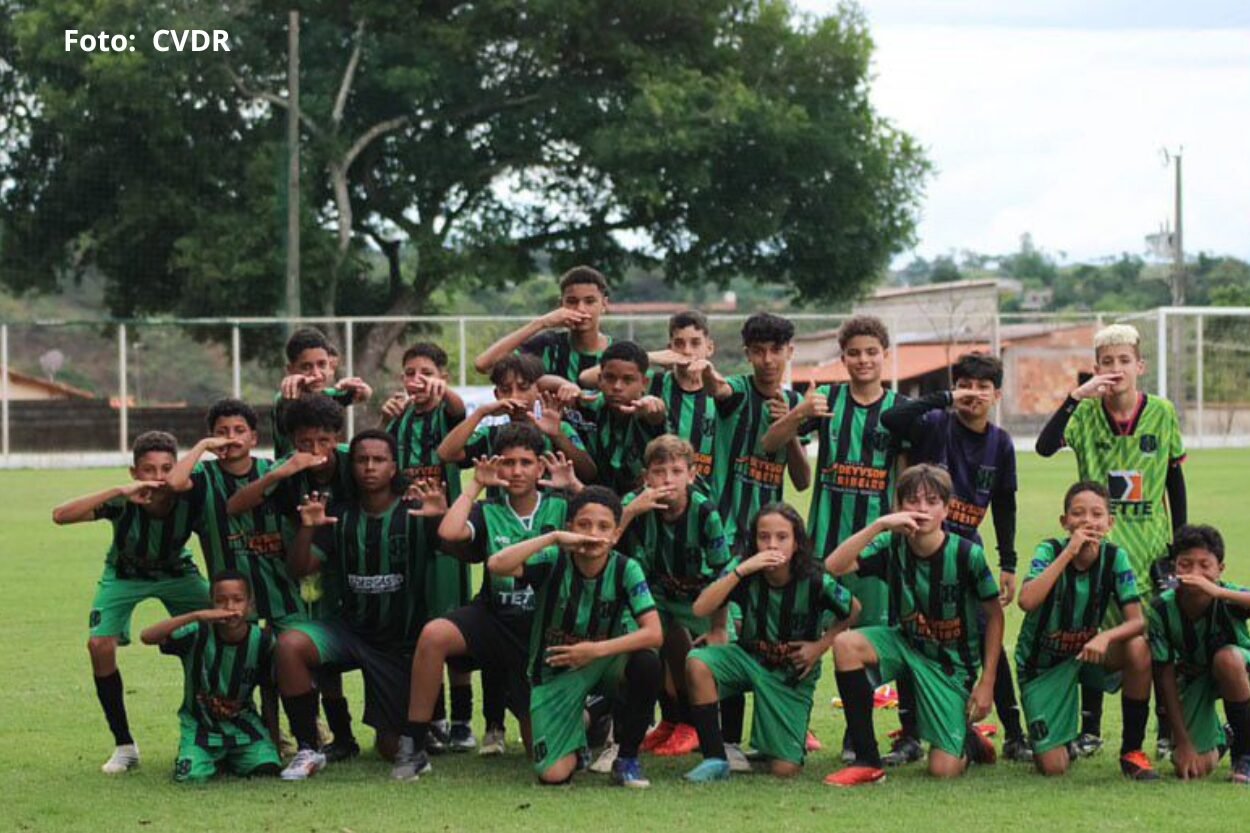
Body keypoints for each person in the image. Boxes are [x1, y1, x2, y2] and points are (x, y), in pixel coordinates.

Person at [393, 422, 580, 780]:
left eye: (526, 462)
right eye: (507, 462)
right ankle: (413, 745)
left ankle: (586, 718)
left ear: (540, 467)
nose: (516, 471)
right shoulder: (488, 509)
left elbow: (606, 520)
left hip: (544, 630)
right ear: (496, 467)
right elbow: (449, 532)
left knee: (536, 751)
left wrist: (573, 486)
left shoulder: (560, 506)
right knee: (434, 634)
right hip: (495, 617)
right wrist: (475, 485)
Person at [1036, 323, 1187, 756]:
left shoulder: (1162, 411)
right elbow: (1046, 448)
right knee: (1093, 630)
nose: (1116, 368)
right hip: (1098, 550)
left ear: (1139, 366)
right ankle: (1091, 729)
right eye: (1107, 361)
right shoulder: (1084, 412)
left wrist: (1178, 545)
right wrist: (1074, 398)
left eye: (1124, 360)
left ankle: (1161, 730)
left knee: (1156, 642)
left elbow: (1175, 480)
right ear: (1095, 368)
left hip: (1151, 550)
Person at [880, 351, 1027, 763]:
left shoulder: (1000, 443)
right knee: (912, 635)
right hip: (916, 551)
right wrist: (945, 396)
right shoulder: (935, 423)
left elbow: (1005, 505)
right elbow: (892, 420)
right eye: (966, 384)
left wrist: (1009, 563)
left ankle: (1014, 734)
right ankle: (909, 735)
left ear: (996, 394)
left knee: (986, 634)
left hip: (965, 557)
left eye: (983, 387)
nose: (973, 394)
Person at [275, 430, 447, 780]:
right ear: (351, 466)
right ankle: (309, 747)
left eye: (378, 460)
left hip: (400, 645)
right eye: (361, 460)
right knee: (290, 644)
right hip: (351, 631)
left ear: (394, 466)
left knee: (390, 748)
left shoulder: (415, 511)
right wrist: (307, 529)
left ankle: (421, 729)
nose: (369, 467)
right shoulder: (339, 516)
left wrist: (438, 520)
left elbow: (460, 552)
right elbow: (299, 569)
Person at [824, 464, 1002, 786]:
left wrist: (987, 681)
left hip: (950, 665)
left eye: (932, 501)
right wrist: (879, 525)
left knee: (943, 770)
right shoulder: (891, 545)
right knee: (846, 644)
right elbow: (833, 566)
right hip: (905, 645)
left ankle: (969, 742)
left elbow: (995, 616)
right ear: (898, 507)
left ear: (946, 509)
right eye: (912, 501)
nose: (921, 509)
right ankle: (866, 759)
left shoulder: (967, 555)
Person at [53, 430, 210, 774]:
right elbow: (61, 515)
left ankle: (212, 730)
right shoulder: (123, 501)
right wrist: (119, 491)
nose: (157, 478)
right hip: (124, 574)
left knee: (221, 628)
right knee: (99, 644)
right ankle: (124, 744)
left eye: (166, 468)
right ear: (134, 473)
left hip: (177, 572)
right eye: (148, 470)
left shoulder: (190, 497)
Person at [486, 486, 663, 788]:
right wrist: (553, 538)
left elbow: (654, 633)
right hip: (554, 673)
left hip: (603, 661)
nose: (593, 534)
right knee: (553, 775)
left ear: (616, 535)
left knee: (646, 663)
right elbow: (496, 564)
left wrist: (595, 651)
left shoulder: (625, 568)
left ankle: (627, 758)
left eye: (604, 526)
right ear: (570, 529)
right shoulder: (553, 559)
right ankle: (582, 729)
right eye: (584, 524)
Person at [226, 393, 360, 760]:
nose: (315, 449)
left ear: (337, 437)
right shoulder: (288, 469)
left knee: (337, 647)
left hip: (355, 562)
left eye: (324, 441)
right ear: (292, 441)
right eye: (305, 442)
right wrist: (283, 470)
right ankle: (326, 737)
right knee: (312, 648)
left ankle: (345, 735)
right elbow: (234, 506)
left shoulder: (354, 462)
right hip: (306, 560)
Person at [683, 503, 859, 782]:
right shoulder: (745, 569)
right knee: (697, 663)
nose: (771, 544)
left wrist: (820, 646)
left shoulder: (814, 579)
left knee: (784, 770)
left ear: (797, 542)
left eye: (781, 537)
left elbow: (853, 610)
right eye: (763, 537)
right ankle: (715, 758)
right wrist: (741, 570)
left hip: (791, 673)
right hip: (748, 659)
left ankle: (777, 743)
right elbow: (700, 609)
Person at [1015, 481, 1156, 779]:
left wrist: (1105, 636)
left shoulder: (1115, 557)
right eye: (1078, 514)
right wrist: (1069, 553)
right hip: (1043, 665)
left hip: (1084, 654)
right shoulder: (1050, 549)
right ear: (1065, 522)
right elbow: (1026, 600)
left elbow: (1137, 620)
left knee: (1138, 647)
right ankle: (1064, 739)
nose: (1087, 521)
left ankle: (1131, 751)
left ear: (1110, 523)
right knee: (1053, 767)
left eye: (1096, 514)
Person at [380, 342, 476, 752]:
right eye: (409, 373)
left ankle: (463, 720)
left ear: (442, 375)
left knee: (451, 624)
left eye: (425, 372)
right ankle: (432, 716)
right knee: (419, 628)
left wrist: (445, 392)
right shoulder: (397, 420)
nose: (416, 380)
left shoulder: (449, 413)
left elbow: (458, 409)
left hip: (444, 539)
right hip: (405, 537)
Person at [618, 436, 733, 760]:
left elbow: (724, 574)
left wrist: (719, 628)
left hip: (699, 599)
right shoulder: (634, 504)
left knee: (716, 656)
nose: (667, 479)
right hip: (654, 596)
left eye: (676, 471)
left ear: (691, 475)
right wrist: (628, 514)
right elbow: (600, 542)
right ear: (646, 477)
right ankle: (668, 721)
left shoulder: (705, 512)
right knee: (639, 649)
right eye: (658, 471)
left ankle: (709, 731)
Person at [168, 399, 302, 629]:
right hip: (231, 605)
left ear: (254, 437)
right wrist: (202, 446)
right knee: (241, 663)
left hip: (284, 598)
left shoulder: (274, 471)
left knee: (292, 658)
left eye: (239, 430)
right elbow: (173, 482)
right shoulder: (203, 476)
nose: (231, 437)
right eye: (222, 432)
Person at [140, 570, 282, 784]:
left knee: (267, 768)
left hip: (243, 726)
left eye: (238, 600)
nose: (230, 607)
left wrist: (274, 741)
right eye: (221, 601)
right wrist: (195, 616)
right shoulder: (197, 632)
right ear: (211, 605)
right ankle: (197, 753)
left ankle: (231, 757)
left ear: (250, 605)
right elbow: (147, 636)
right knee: (191, 778)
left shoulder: (262, 641)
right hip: (200, 726)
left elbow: (269, 692)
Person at [1148, 524, 1250, 783]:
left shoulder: (1228, 596)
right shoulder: (1161, 608)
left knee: (1227, 659)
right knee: (1194, 768)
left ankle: (1245, 755)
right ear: (1174, 567)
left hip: (1240, 672)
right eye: (1186, 564)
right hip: (1196, 679)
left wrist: (1217, 591)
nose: (1195, 573)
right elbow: (1165, 675)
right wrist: (1182, 742)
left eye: (1205, 565)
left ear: (1220, 569)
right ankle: (1224, 736)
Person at [706, 312, 812, 549]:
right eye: (758, 351)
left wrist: (788, 424)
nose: (767, 359)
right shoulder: (739, 389)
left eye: (776, 350)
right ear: (748, 354)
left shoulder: (795, 403)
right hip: (724, 530)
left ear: (789, 352)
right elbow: (719, 390)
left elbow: (803, 481)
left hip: (767, 536)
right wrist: (706, 372)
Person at [438, 352, 596, 486]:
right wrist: (481, 412)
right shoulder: (491, 434)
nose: (515, 396)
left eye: (523, 388)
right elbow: (446, 454)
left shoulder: (560, 429)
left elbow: (589, 474)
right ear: (497, 394)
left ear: (537, 390)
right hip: (500, 520)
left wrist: (557, 436)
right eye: (506, 390)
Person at [561, 340, 667, 494]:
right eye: (610, 378)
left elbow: (657, 415)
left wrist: (656, 410)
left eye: (627, 380)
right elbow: (540, 383)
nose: (617, 386)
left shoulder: (648, 410)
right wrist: (563, 386)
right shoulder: (586, 403)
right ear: (599, 379)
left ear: (644, 383)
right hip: (588, 500)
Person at [474, 265, 612, 383]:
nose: (581, 309)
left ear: (604, 304)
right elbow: (483, 364)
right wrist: (541, 323)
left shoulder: (617, 351)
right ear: (561, 305)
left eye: (589, 301)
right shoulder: (548, 346)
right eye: (572, 301)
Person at [272, 327, 372, 458]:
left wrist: (362, 388)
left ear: (330, 365)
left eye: (321, 364)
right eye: (306, 367)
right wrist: (291, 386)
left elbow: (363, 394)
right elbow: (286, 402)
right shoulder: (285, 399)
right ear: (291, 370)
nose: (316, 374)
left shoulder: (327, 395)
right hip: (292, 475)